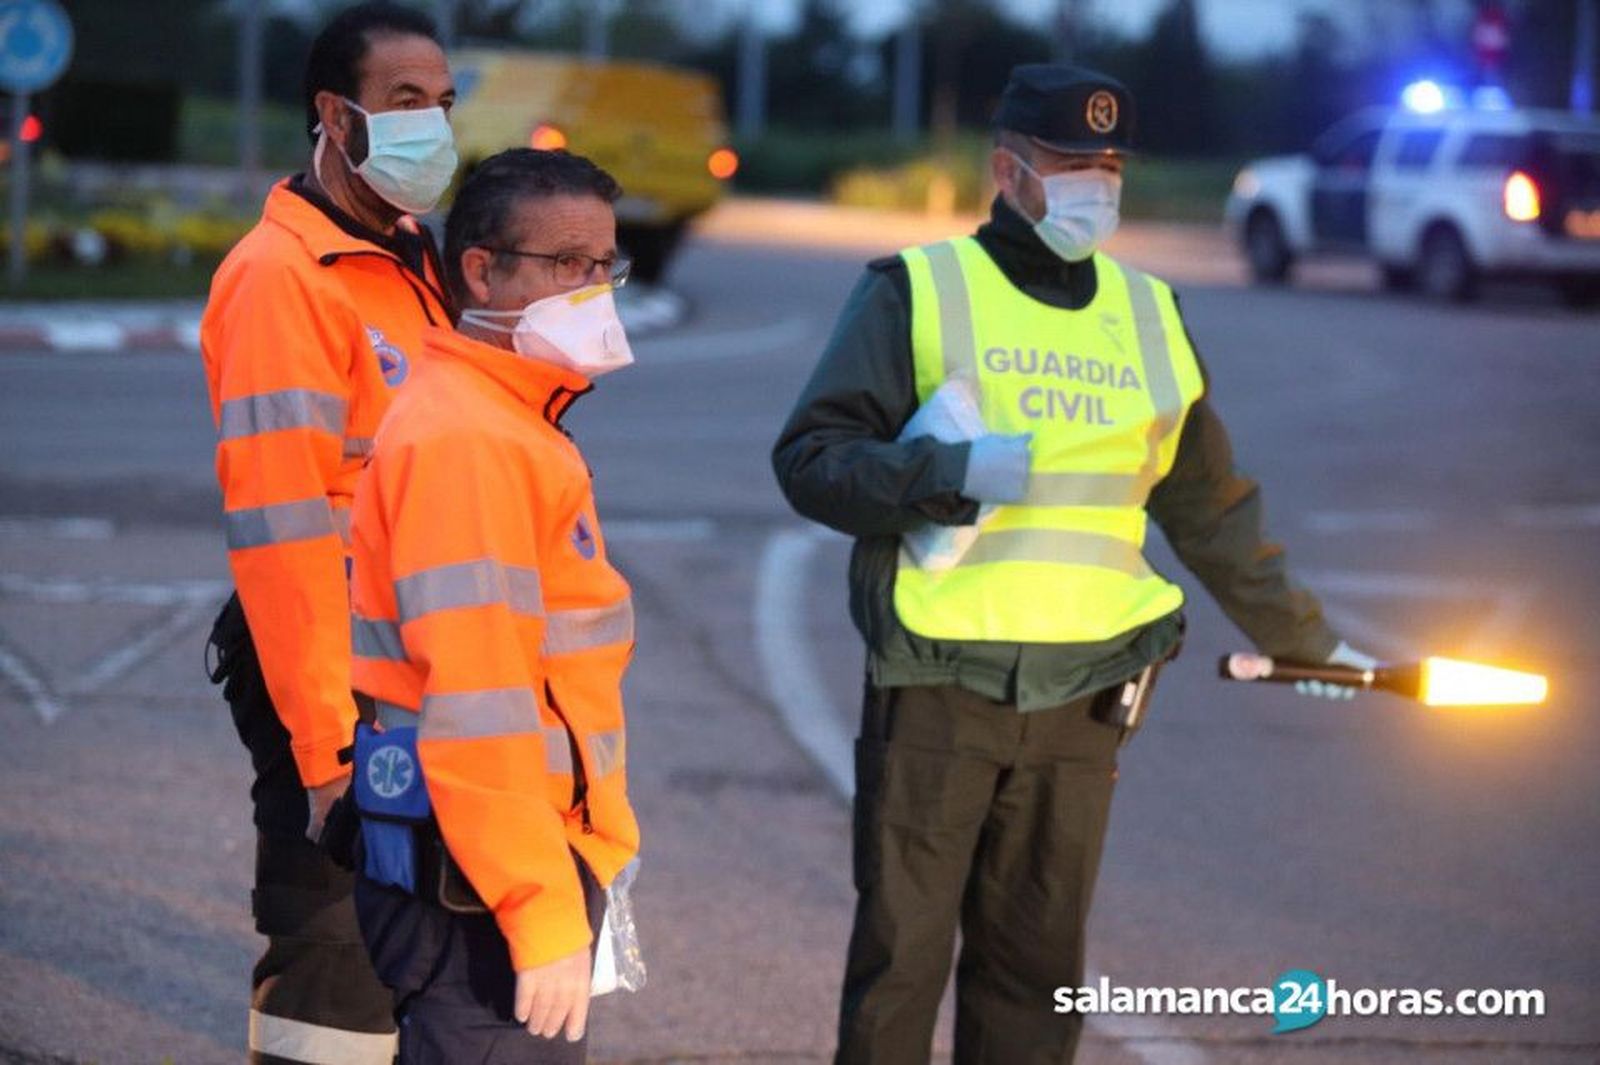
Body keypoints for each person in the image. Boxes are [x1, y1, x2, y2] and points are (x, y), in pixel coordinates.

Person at [771, 63, 1375, 1065]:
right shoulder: (915, 291)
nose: (1096, 179)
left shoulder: (1148, 313)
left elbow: (1208, 506)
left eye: (1108, 161)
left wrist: (1303, 642)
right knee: (901, 961)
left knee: (1036, 972)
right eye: (1068, 160)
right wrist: (944, 470)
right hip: (941, 678)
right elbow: (811, 465)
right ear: (1007, 172)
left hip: (1086, 693)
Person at [344, 147, 641, 1062]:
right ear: (481, 268)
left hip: (502, 855)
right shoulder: (470, 439)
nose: (592, 289)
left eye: (604, 266)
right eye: (565, 265)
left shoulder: (507, 420)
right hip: (477, 879)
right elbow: (480, 698)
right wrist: (540, 906)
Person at [198, 3, 455, 1060]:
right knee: (333, 945)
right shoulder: (280, 279)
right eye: (404, 104)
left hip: (419, 660)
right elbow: (283, 527)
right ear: (333, 116)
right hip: (336, 675)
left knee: (409, 945)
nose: (432, 127)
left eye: (443, 104)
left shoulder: (408, 256)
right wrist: (327, 748)